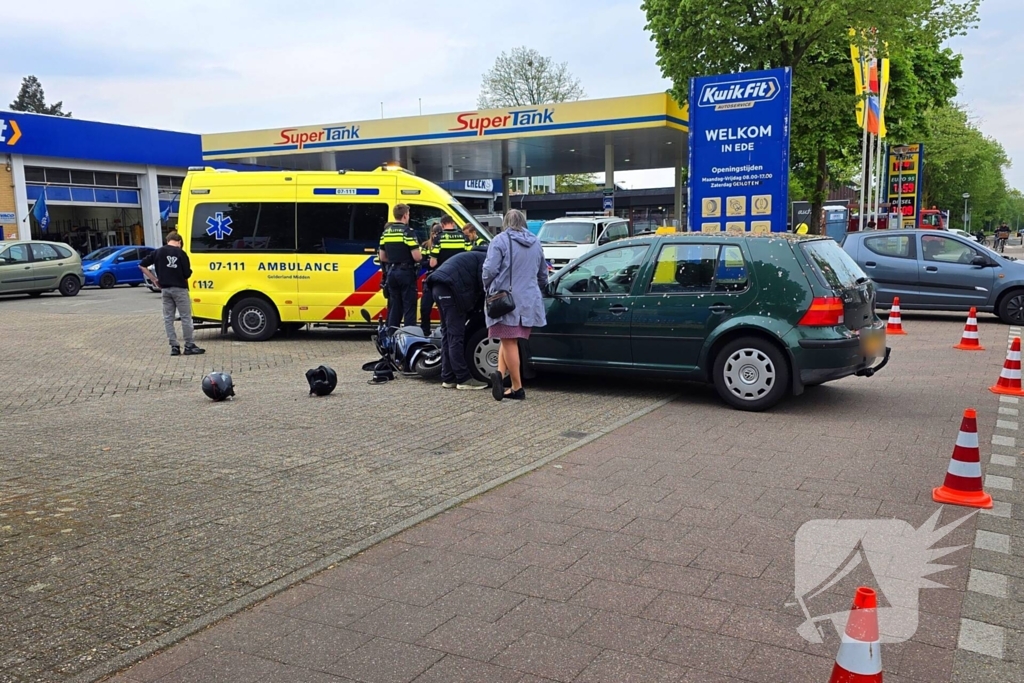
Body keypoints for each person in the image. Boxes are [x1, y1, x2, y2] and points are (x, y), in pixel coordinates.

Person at [482, 209, 548, 401]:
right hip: (528, 300)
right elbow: (543, 273)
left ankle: (517, 388)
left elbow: (489, 269)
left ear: (505, 223)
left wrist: (487, 286)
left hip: (505, 299)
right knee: (509, 339)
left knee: (508, 340)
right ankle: (500, 374)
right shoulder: (536, 242)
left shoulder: (500, 240)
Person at [425, 243, 490, 390]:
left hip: (438, 286)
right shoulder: (486, 259)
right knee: (456, 336)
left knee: (447, 334)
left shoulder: (473, 255)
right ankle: (463, 378)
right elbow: (484, 285)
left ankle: (448, 377)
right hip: (450, 289)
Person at [139, 231, 205, 356]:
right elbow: (187, 274)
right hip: (180, 289)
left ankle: (174, 346)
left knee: (168, 318)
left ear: (168, 240)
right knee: (185, 317)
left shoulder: (158, 252)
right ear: (179, 242)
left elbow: (142, 265)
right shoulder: (181, 253)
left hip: (165, 289)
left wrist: (154, 280)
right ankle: (189, 345)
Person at [378, 203, 422, 328]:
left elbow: (382, 257)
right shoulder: (408, 232)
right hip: (405, 272)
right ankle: (409, 338)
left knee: (394, 307)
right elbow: (417, 257)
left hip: (391, 272)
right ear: (404, 216)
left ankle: (391, 336)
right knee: (409, 306)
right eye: (408, 214)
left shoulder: (386, 233)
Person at [419, 223, 444, 335]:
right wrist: (431, 263)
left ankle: (443, 330)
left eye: (438, 233)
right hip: (429, 279)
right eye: (434, 233)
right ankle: (425, 331)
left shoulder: (444, 244)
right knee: (425, 308)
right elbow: (422, 263)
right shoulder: (425, 246)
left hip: (441, 279)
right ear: (431, 233)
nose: (436, 236)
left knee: (443, 308)